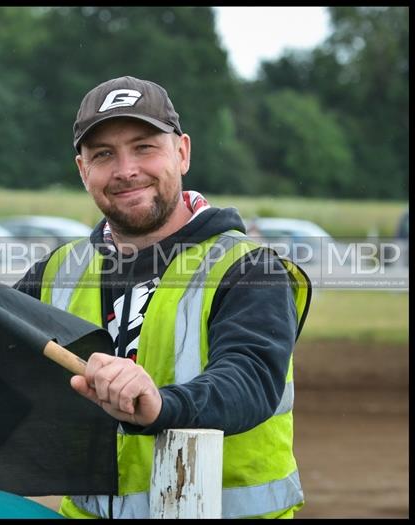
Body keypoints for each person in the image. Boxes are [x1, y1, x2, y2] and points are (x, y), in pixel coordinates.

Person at [15, 76, 311, 519]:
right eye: (103, 155)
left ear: (182, 152)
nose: (125, 170)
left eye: (144, 147)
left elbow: (249, 379)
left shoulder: (248, 268)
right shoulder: (58, 270)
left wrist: (162, 404)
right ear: (82, 170)